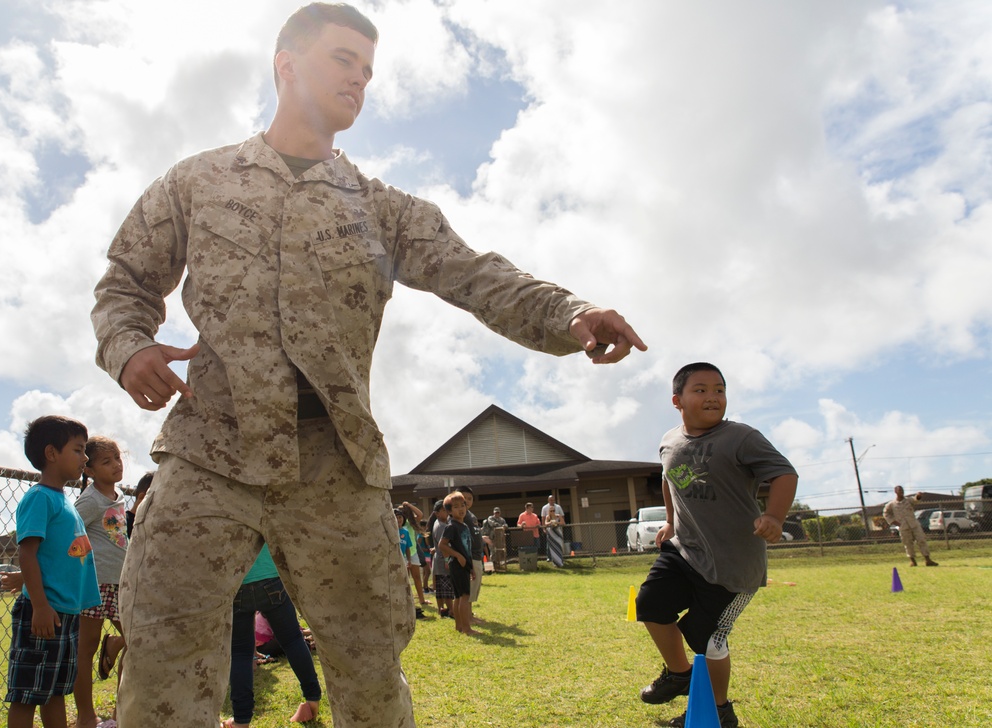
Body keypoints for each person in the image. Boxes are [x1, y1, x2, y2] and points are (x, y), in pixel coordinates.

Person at [90, 4, 645, 726]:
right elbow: (125, 283)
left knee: (371, 670)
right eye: (343, 59)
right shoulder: (199, 182)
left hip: (335, 464)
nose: (360, 79)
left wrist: (567, 313)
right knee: (162, 662)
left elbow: (474, 274)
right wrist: (129, 347)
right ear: (286, 63)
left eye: (369, 70)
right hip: (210, 453)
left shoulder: (382, 210)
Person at [634, 363, 798, 728]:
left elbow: (784, 473)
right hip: (685, 550)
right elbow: (670, 478)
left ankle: (720, 711)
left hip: (733, 565)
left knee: (706, 641)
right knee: (650, 605)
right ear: (678, 400)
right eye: (701, 389)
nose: (712, 396)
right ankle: (679, 674)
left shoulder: (741, 437)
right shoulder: (669, 440)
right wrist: (672, 521)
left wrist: (774, 516)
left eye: (719, 389)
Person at [7, 416, 101, 728]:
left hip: (66, 613)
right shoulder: (39, 498)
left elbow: (53, 557)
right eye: (78, 450)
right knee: (28, 694)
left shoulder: (65, 500)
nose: (84, 458)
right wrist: (41, 606)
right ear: (51, 453)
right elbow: (27, 552)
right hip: (44, 613)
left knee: (55, 691)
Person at [222, 544, 322, 728]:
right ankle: (312, 700)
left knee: (240, 653)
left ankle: (241, 721)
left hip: (237, 581)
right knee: (293, 639)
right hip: (271, 577)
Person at [73, 436, 130, 728]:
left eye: (117, 458)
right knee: (86, 650)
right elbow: (70, 531)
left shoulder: (118, 495)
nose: (115, 465)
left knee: (137, 642)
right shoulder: (90, 499)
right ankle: (86, 716)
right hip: (94, 585)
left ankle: (124, 715)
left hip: (121, 584)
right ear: (90, 470)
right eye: (106, 462)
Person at [438, 492, 476, 635]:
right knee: (464, 597)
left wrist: (471, 567)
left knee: (459, 596)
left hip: (464, 565)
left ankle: (459, 626)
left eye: (463, 505)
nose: (461, 509)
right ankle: (467, 628)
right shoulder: (451, 526)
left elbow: (467, 548)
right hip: (457, 564)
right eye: (455, 507)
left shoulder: (464, 526)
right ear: (449, 511)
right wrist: (457, 555)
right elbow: (442, 545)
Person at [883, 485, 938, 567]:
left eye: (902, 490)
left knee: (921, 540)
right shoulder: (892, 504)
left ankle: (928, 560)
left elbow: (915, 500)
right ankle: (912, 561)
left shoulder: (908, 500)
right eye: (899, 491)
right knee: (908, 543)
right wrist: (893, 522)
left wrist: (918, 496)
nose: (901, 492)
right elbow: (886, 513)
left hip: (914, 524)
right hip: (903, 526)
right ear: (896, 492)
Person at [457, 487, 485, 612]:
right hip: (469, 557)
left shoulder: (470, 515)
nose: (467, 501)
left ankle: (470, 615)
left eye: (470, 499)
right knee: (467, 592)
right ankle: (467, 618)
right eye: (464, 498)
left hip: (477, 556)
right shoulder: (459, 516)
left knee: (473, 590)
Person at [429, 502, 454, 619]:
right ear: (436, 513)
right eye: (443, 510)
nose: (446, 512)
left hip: (438, 560)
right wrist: (447, 560)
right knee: (447, 589)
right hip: (443, 561)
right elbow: (443, 546)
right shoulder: (441, 526)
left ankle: (441, 610)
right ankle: (451, 611)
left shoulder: (438, 523)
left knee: (440, 589)